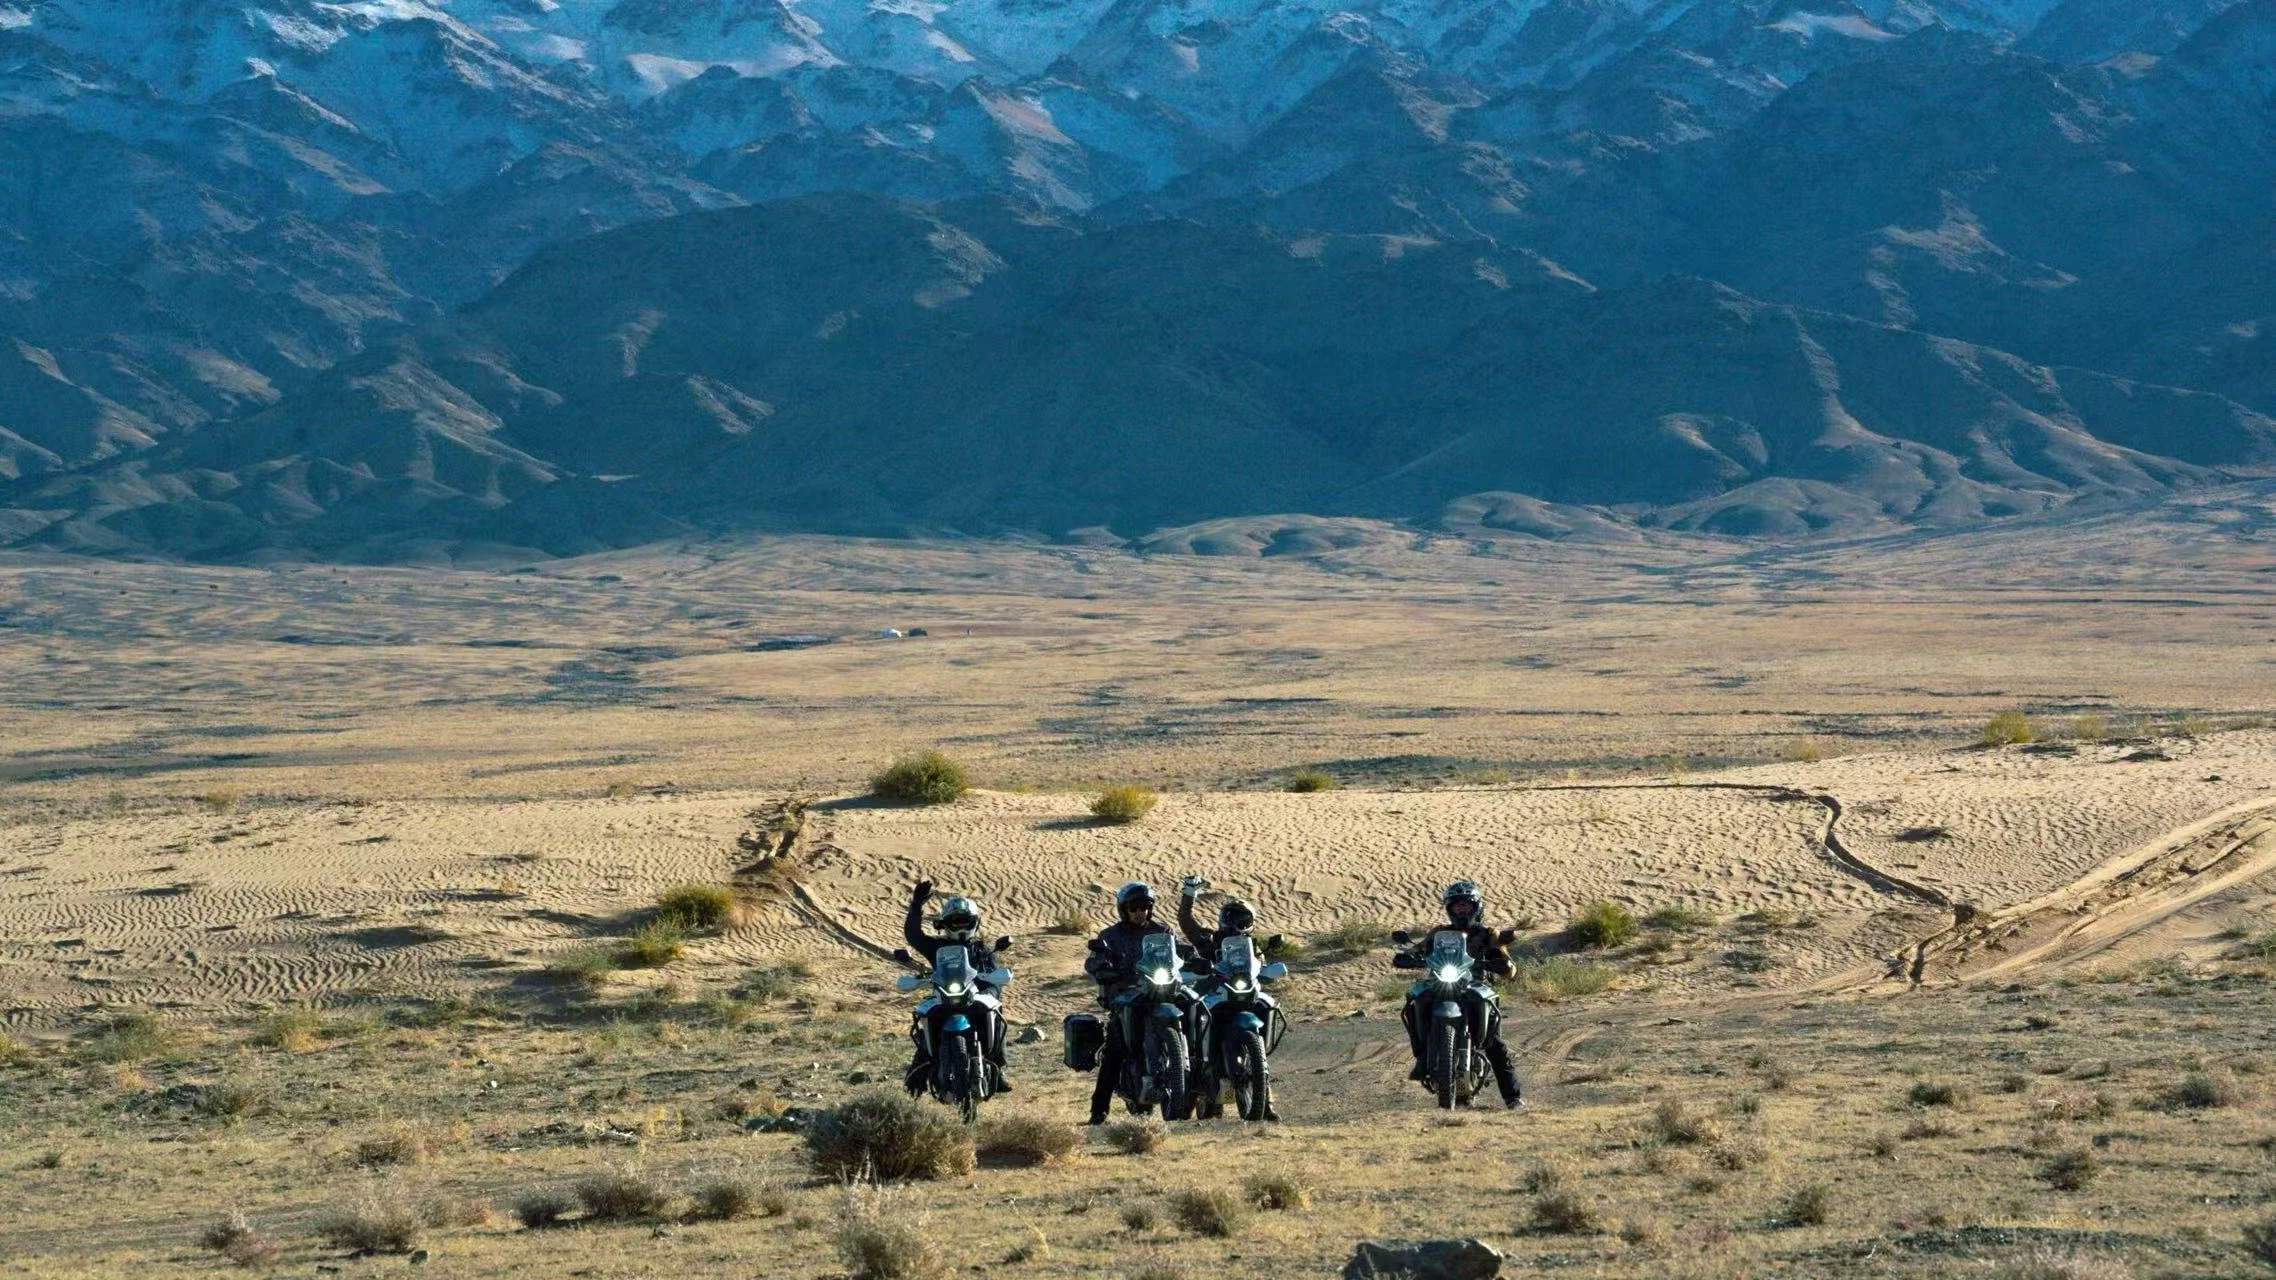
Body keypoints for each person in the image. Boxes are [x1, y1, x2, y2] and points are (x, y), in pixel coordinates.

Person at [1392, 880, 1522, 1108]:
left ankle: (1512, 1098)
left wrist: (1503, 964)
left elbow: (1503, 957)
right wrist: (1406, 956)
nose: (1462, 910)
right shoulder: (1439, 933)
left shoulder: (1488, 933)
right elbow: (1419, 949)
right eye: (1457, 906)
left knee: (1495, 1043)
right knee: (1417, 998)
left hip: (1475, 984)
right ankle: (1422, 1057)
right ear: (1450, 909)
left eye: (1466, 906)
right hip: (1442, 983)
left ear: (1477, 907)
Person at [1082, 881, 1195, 1124]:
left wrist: (1192, 956)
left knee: (1195, 1011)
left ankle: (1197, 1091)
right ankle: (1098, 1110)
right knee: (1115, 1049)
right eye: (1134, 907)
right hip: (1126, 995)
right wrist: (1102, 967)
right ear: (1124, 909)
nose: (1139, 911)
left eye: (1144, 906)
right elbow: (1093, 961)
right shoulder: (1110, 936)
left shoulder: (1163, 932)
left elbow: (1177, 953)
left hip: (1161, 991)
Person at [902, 878, 1011, 1096]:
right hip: (944, 995)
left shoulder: (982, 950)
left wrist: (992, 984)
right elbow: (914, 936)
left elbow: (993, 975)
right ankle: (920, 1069)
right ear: (945, 924)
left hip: (975, 995)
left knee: (995, 1011)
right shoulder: (936, 946)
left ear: (975, 922)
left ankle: (998, 1068)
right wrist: (916, 905)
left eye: (965, 921)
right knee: (925, 1018)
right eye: (956, 921)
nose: (961, 926)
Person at [1176, 874, 1261, 964]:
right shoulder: (1208, 939)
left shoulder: (1252, 948)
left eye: (1242, 920)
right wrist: (1189, 893)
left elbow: (1262, 967)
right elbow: (1185, 920)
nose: (1233, 924)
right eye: (1229, 917)